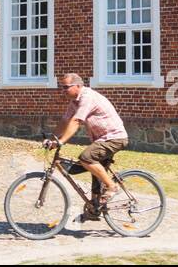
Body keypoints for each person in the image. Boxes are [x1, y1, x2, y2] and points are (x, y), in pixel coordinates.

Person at [44, 73, 128, 215]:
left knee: (86, 158)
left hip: (114, 138)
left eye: (66, 87)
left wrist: (62, 141)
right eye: (62, 87)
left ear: (77, 86)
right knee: (94, 169)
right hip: (102, 140)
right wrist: (53, 139)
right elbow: (65, 121)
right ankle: (95, 208)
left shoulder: (87, 97)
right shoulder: (74, 102)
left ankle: (112, 187)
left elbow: (76, 121)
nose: (63, 90)